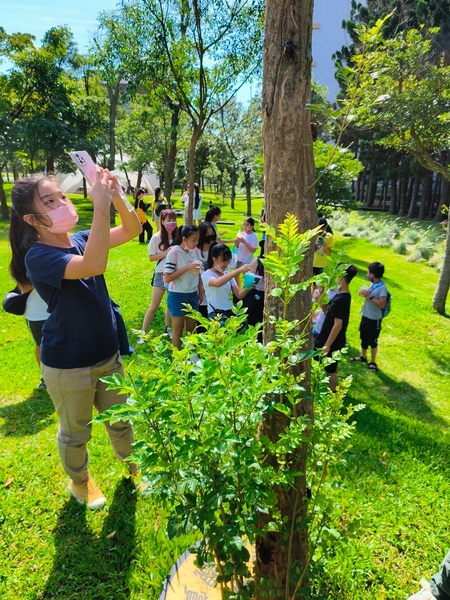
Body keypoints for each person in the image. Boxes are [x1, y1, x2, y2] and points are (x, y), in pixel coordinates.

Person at [9, 171, 142, 509]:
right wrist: (99, 207)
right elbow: (94, 264)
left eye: (62, 197)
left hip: (106, 354)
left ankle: (134, 469)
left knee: (121, 421)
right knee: (76, 432)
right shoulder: (37, 257)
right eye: (49, 201)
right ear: (31, 219)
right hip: (67, 364)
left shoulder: (83, 238)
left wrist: (115, 195)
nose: (61, 204)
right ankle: (80, 481)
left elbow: (132, 229)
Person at [314, 264, 358, 391]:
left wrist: (327, 346)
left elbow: (338, 325)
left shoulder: (341, 300)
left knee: (330, 370)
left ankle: (332, 393)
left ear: (342, 279)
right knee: (331, 368)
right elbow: (330, 314)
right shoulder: (342, 296)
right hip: (328, 338)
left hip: (330, 340)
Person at [139, 209, 178, 341]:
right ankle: (143, 333)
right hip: (161, 273)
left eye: (174, 220)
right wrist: (166, 253)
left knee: (170, 304)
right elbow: (151, 257)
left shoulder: (179, 237)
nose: (172, 223)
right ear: (162, 221)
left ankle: (168, 328)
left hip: (175, 273)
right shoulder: (157, 237)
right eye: (169, 220)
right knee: (154, 306)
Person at [164, 224, 203, 349]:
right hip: (177, 295)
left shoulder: (195, 251)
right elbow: (167, 277)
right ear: (184, 239)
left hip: (192, 294)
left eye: (197, 239)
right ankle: (179, 358)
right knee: (178, 330)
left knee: (191, 328)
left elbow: (198, 275)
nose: (196, 243)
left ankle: (191, 354)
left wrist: (200, 291)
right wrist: (187, 268)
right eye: (193, 240)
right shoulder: (174, 252)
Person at [201, 242, 252, 326]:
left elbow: (239, 295)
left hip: (229, 312)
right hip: (215, 314)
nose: (226, 264)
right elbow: (218, 283)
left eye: (228, 260)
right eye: (224, 260)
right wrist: (238, 270)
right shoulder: (206, 275)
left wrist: (248, 287)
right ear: (214, 260)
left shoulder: (227, 275)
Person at [350, 261, 387, 373]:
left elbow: (382, 304)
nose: (367, 274)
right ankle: (363, 356)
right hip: (365, 315)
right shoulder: (372, 284)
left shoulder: (382, 288)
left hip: (374, 318)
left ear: (372, 274)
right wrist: (363, 293)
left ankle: (373, 361)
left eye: (368, 272)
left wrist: (369, 296)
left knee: (373, 340)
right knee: (364, 336)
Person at [197, 222, 217, 326]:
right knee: (202, 324)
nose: (210, 236)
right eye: (207, 234)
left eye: (212, 233)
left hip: (214, 291)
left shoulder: (216, 250)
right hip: (200, 293)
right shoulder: (195, 251)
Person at [242, 256, 265, 342]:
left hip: (268, 295)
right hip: (256, 294)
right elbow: (249, 276)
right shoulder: (257, 261)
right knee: (253, 322)